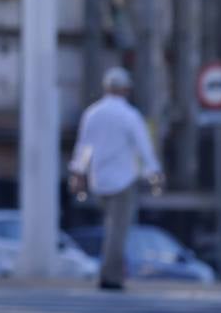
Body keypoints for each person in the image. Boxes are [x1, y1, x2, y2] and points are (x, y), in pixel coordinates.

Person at [68, 67, 164, 291]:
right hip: (123, 181)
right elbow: (144, 148)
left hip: (98, 181)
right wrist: (154, 174)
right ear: (125, 89)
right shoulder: (130, 115)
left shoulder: (92, 113)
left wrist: (77, 173)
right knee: (117, 231)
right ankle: (110, 277)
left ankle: (114, 273)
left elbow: (84, 147)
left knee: (111, 228)